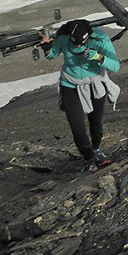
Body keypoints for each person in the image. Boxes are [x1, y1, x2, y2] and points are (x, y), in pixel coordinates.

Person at [38, 18, 121, 171]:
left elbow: (115, 66)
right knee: (77, 127)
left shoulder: (100, 40)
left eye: (80, 43)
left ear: (88, 37)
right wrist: (47, 48)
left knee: (95, 122)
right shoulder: (63, 39)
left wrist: (98, 57)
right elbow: (52, 54)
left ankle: (96, 150)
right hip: (70, 84)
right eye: (74, 42)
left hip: (95, 84)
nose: (77, 45)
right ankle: (88, 158)